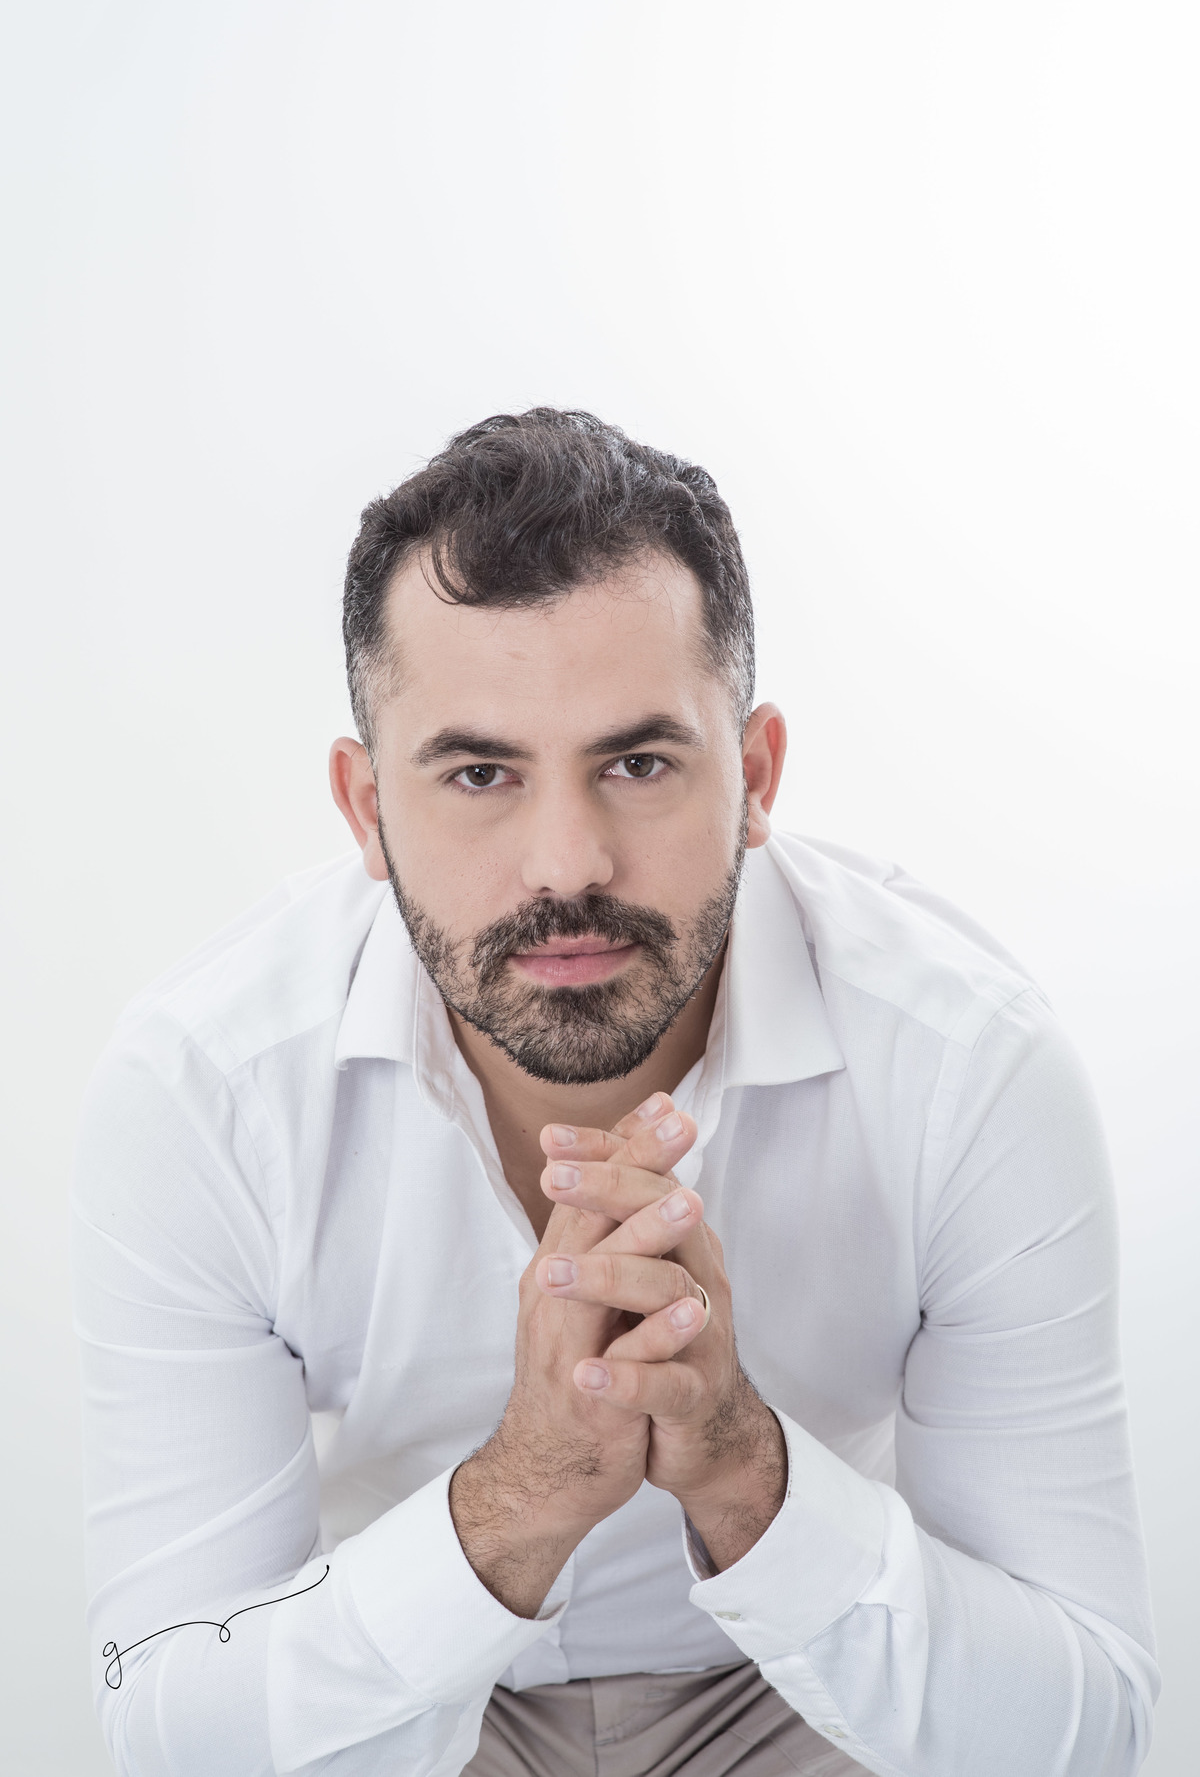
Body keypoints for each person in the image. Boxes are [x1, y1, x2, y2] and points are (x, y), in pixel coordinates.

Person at [72, 408, 1158, 1777]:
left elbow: (1084, 1731)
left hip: (810, 1681)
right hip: (414, 1693)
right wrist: (519, 1500)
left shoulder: (966, 1067)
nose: (566, 863)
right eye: (479, 773)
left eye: (638, 763)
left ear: (753, 777)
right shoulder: (204, 1095)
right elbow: (165, 1722)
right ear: (366, 809)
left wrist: (747, 1474)